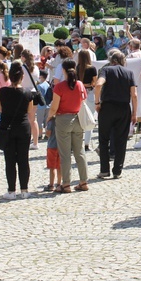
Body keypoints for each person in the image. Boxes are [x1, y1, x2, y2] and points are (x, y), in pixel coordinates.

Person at [45, 58, 89, 193]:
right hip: (77, 119)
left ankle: (66, 183)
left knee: (65, 154)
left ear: (63, 70)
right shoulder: (80, 85)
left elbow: (54, 107)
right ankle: (83, 181)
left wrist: (48, 119)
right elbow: (83, 100)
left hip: (63, 120)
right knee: (79, 152)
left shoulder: (59, 87)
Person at [94, 49, 137, 179]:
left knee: (103, 139)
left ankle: (104, 170)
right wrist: (134, 113)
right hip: (124, 108)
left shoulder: (106, 70)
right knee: (121, 140)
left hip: (107, 107)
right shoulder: (129, 73)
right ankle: (117, 170)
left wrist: (97, 102)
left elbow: (98, 85)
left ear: (111, 61)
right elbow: (134, 95)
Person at [0, 61, 34, 199]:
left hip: (7, 127)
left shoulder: (3, 91)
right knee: (24, 159)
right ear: (22, 77)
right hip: (23, 127)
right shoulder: (27, 92)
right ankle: (24, 190)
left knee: (10, 160)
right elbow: (29, 110)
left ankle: (11, 190)